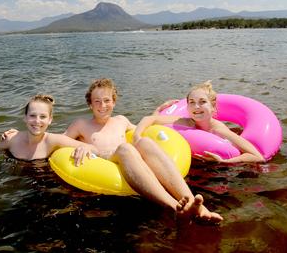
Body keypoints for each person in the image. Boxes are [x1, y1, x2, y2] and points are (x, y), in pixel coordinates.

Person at [64, 78, 223, 223]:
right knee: (126, 148)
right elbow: (58, 141)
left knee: (145, 141)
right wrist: (84, 145)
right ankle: (174, 207)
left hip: (128, 159)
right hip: (105, 160)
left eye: (107, 100)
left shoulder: (121, 120)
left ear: (114, 102)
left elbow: (147, 128)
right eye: (96, 101)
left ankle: (196, 206)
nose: (102, 105)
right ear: (90, 104)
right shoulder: (81, 124)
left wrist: (159, 111)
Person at [0, 94, 96, 184]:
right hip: (12, 179)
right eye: (32, 116)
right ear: (25, 117)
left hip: (41, 183)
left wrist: (85, 147)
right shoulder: (11, 139)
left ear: (50, 120)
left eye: (42, 117)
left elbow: (94, 148)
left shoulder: (53, 141)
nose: (37, 121)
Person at [137, 81, 264, 163]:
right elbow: (150, 120)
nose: (196, 107)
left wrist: (224, 162)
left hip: (222, 168)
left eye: (202, 102)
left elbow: (257, 157)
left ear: (213, 107)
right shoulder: (185, 122)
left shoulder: (219, 130)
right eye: (191, 102)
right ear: (187, 107)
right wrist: (159, 110)